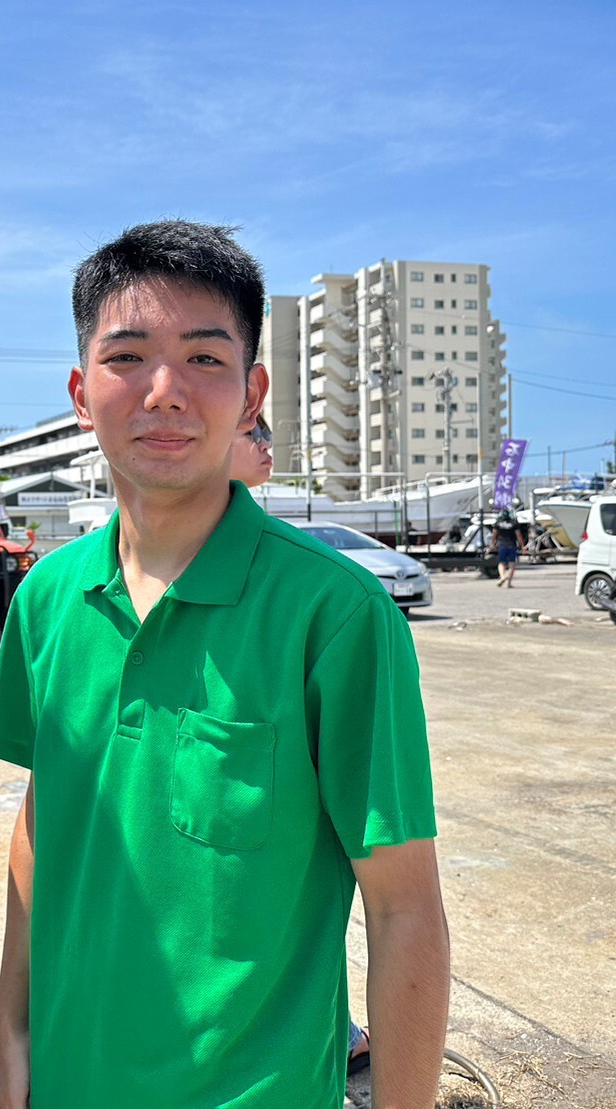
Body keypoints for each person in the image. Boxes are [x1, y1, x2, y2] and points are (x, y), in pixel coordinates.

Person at [0, 221, 449, 1108]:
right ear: (82, 392)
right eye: (127, 358)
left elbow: (404, 906)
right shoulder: (45, 599)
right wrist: (14, 1031)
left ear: (251, 391)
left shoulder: (335, 613)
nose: (163, 392)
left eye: (203, 358)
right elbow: (46, 818)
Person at [231, 417, 372, 1079]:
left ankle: (334, 1027)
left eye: (264, 429)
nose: (266, 443)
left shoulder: (323, 594)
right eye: (251, 433)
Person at [493, 510, 525, 588]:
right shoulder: (514, 523)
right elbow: (519, 536)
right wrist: (522, 546)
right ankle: (509, 583)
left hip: (502, 545)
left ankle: (503, 576)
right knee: (512, 565)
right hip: (512, 545)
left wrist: (494, 545)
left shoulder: (498, 524)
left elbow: (494, 535)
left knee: (501, 563)